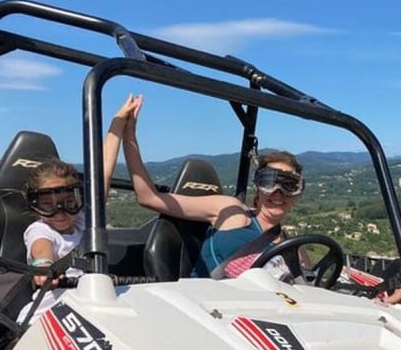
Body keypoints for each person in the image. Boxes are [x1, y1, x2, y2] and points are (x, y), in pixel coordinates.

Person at [121, 101, 303, 278]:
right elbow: (148, 197)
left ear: (297, 193)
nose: (278, 192)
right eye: (270, 182)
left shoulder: (293, 247)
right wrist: (129, 134)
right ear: (258, 186)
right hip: (208, 303)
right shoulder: (233, 212)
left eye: (289, 185)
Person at [17, 94, 143, 325]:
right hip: (50, 309)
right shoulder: (41, 230)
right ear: (36, 209)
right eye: (48, 206)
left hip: (92, 303)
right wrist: (45, 267)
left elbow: (102, 170)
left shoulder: (86, 220)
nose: (60, 212)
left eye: (69, 202)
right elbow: (41, 251)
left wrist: (118, 122)